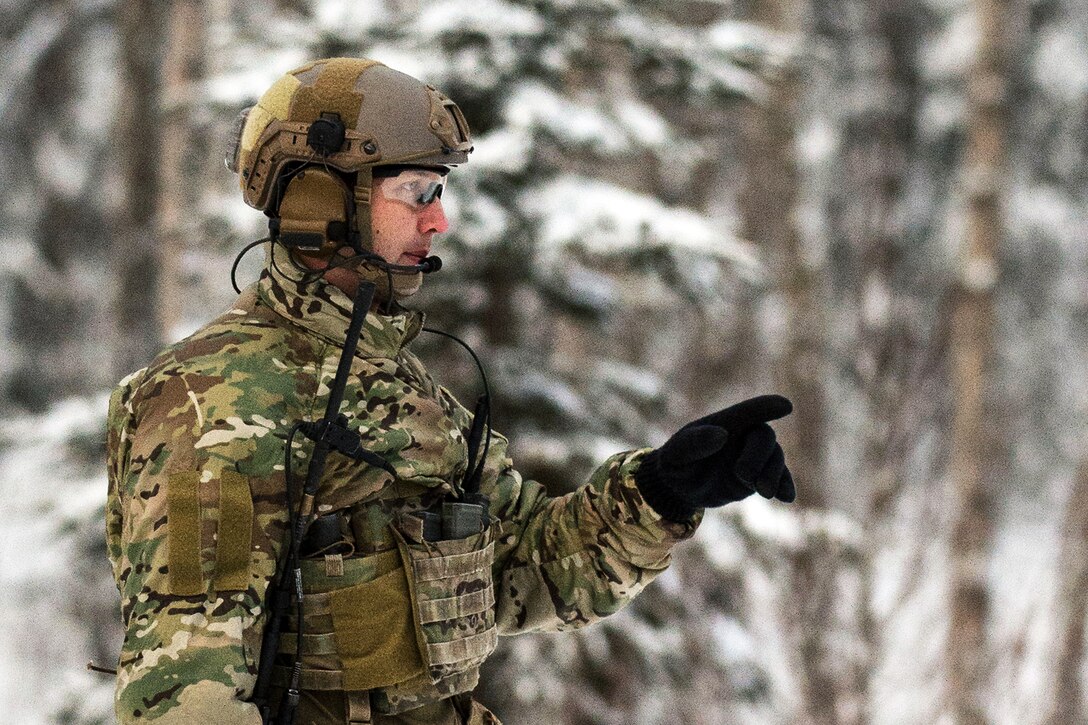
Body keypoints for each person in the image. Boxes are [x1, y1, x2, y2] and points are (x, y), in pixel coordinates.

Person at [105, 57, 796, 725]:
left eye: (439, 193)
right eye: (416, 192)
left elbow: (522, 563)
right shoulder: (212, 398)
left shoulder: (398, 382)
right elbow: (186, 689)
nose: (439, 222)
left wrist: (659, 493)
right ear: (318, 197)